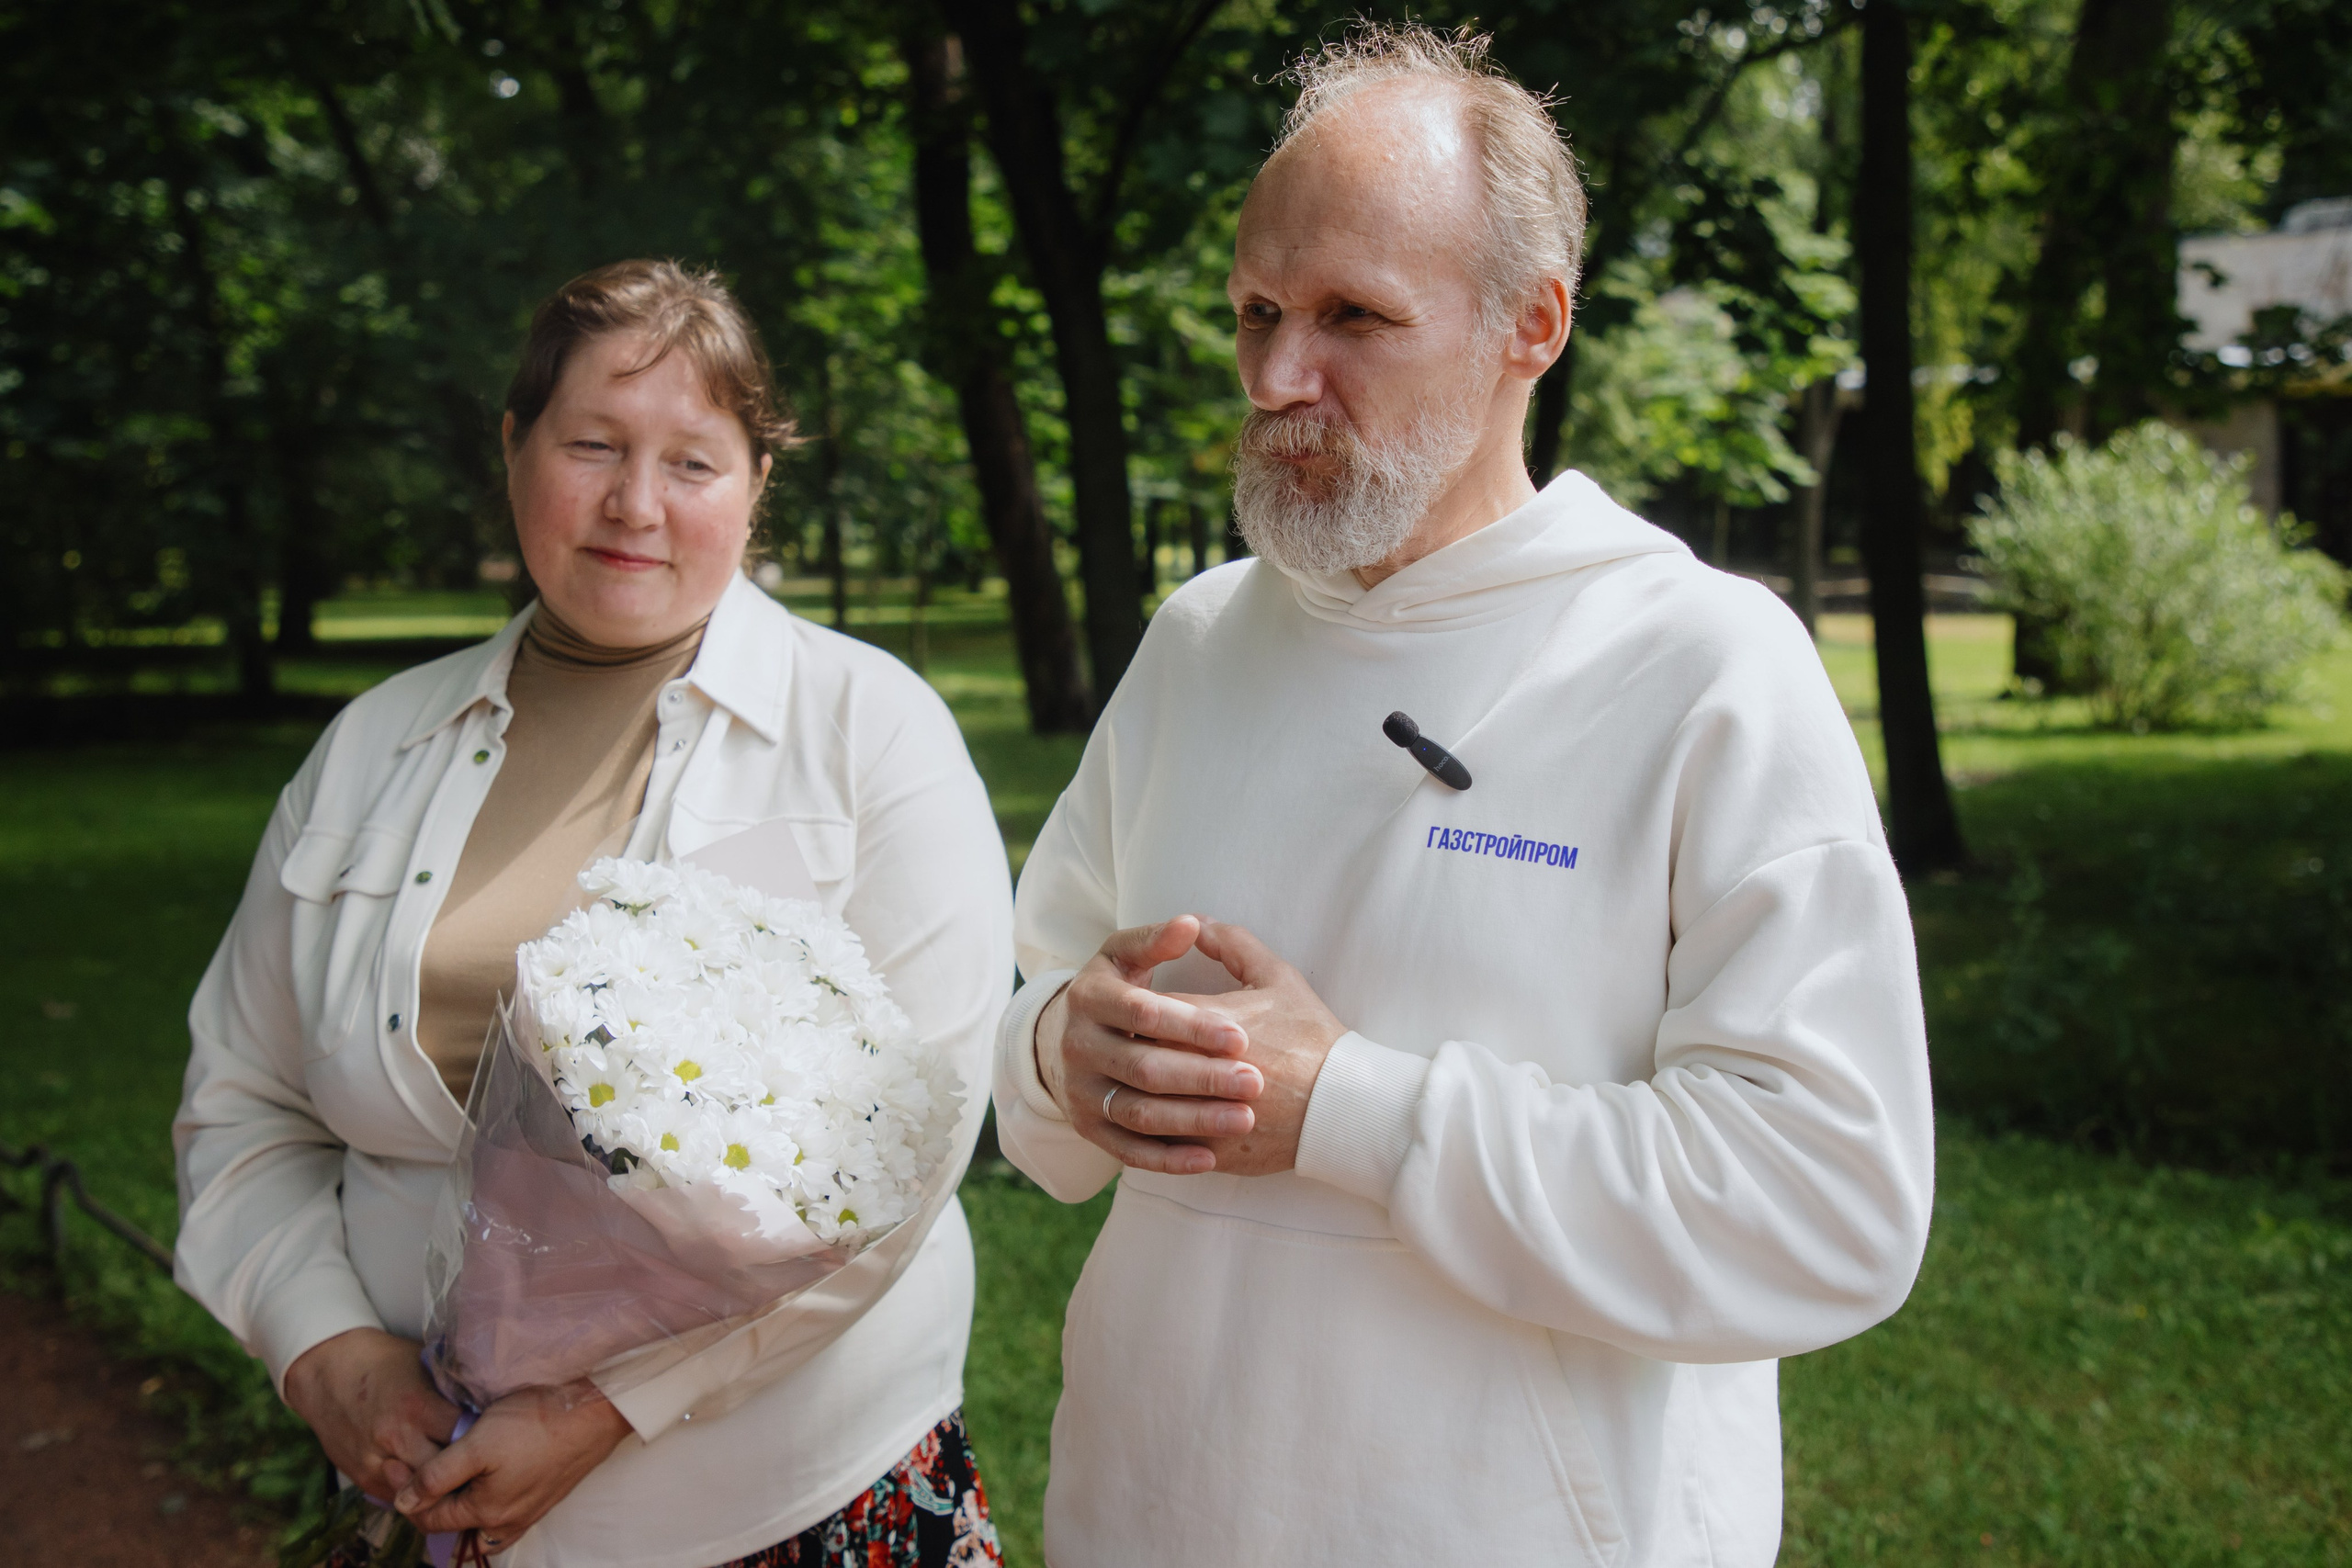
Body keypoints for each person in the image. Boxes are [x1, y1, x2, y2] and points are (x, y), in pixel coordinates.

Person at [991, 26, 1934, 1568]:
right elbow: (1030, 999)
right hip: (1152, 1513)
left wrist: (1349, 1107)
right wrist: (1056, 1047)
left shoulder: (1703, 664)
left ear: (1533, 323)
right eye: (1257, 313)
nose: (1281, 378)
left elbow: (1828, 1204)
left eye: (1355, 315)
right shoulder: (1203, 638)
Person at [175, 260, 1012, 1568]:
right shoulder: (373, 746)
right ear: (514, 450)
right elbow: (241, 1104)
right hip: (434, 1500)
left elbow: (919, 1152)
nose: (636, 505)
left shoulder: (872, 731)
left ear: (757, 486)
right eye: (592, 446)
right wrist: (329, 1354)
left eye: (693, 462)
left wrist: (601, 1411)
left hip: (791, 1506)